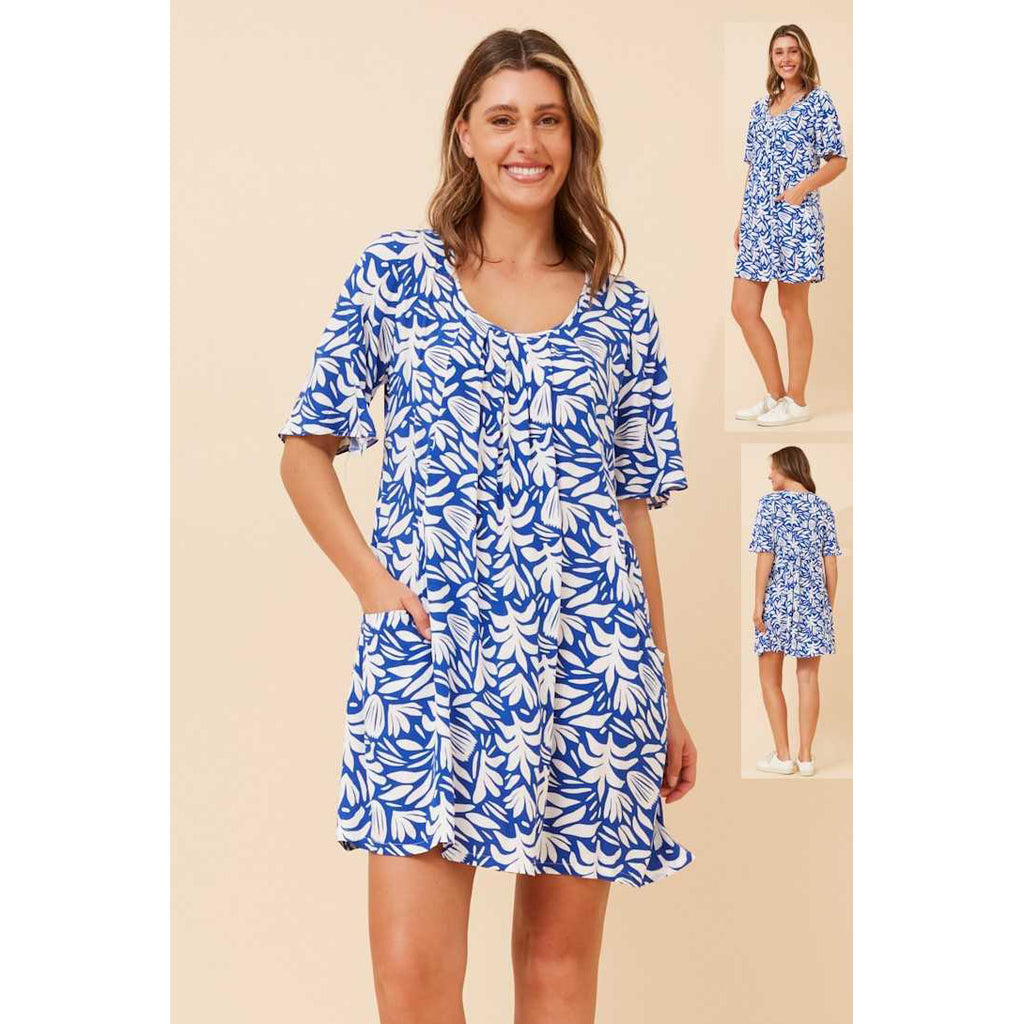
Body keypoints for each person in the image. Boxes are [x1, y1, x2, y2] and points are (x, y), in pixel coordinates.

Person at [277, 28, 696, 1024]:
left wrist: (665, 690)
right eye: (503, 118)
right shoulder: (396, 275)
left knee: (557, 978)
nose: (527, 141)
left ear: (574, 138)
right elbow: (304, 452)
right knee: (413, 986)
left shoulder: (620, 312)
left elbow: (630, 507)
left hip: (589, 663)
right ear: (464, 132)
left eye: (548, 119)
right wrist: (377, 590)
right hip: (429, 657)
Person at [731, 24, 849, 427]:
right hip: (758, 219)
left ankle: (796, 401)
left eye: (793, 51)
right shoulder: (759, 108)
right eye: (779, 51)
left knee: (791, 308)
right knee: (743, 308)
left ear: (804, 55)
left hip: (796, 219)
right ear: (772, 58)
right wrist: (743, 218)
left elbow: (838, 160)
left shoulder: (819, 102)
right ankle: (775, 394)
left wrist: (800, 190)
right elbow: (754, 169)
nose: (786, 58)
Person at [748, 446, 841, 777]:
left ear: (786, 468)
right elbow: (831, 564)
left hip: (777, 600)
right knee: (809, 678)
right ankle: (806, 757)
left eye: (772, 468)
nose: (769, 475)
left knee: (769, 680)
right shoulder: (822, 507)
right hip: (814, 603)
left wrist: (758, 602)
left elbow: (765, 555)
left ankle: (783, 756)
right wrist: (826, 607)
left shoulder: (770, 504)